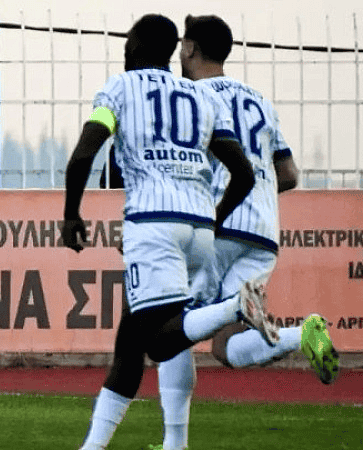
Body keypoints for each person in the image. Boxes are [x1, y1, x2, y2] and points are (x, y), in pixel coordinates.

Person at [62, 14, 277, 450]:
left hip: (153, 224)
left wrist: (71, 214)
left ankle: (235, 306)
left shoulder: (119, 89)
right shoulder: (201, 97)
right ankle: (93, 446)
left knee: (159, 345)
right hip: (199, 230)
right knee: (130, 343)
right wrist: (214, 218)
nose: (124, 48)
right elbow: (242, 173)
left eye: (129, 41)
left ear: (139, 47)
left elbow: (85, 151)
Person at [148, 15, 340, 450]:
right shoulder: (260, 101)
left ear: (190, 48)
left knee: (169, 327)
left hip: (214, 223)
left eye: (182, 45)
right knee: (225, 345)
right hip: (262, 233)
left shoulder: (188, 97)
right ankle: (300, 333)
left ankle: (174, 444)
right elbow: (288, 174)